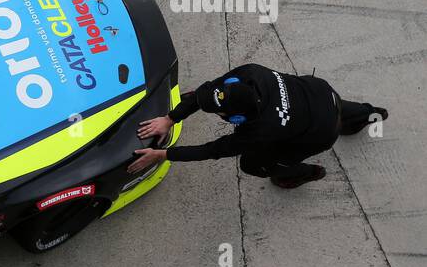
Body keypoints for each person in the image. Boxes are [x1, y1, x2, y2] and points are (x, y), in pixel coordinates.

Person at [129, 63, 387, 188]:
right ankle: (370, 114)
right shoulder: (250, 74)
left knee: (252, 164)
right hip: (322, 93)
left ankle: (302, 172)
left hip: (320, 133)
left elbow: (212, 150)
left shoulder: (260, 130)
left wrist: (162, 154)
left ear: (237, 120)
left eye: (220, 114)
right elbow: (205, 93)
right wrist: (169, 119)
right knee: (338, 107)